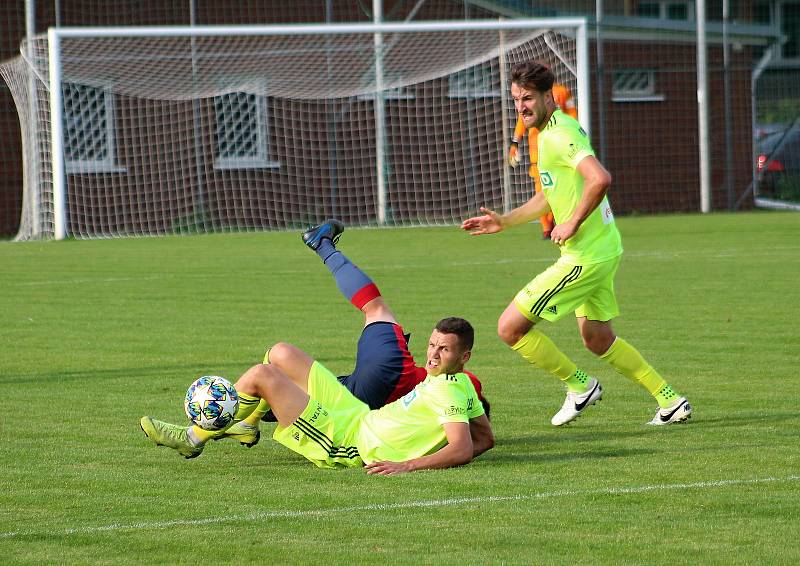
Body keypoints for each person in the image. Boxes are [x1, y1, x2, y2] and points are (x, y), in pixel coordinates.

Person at [140, 220, 494, 474]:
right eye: (433, 345)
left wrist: (409, 464)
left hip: (351, 442)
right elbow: (485, 440)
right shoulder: (459, 387)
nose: (432, 353)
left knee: (263, 375)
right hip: (358, 413)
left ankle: (192, 437)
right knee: (280, 352)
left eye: (442, 350)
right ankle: (245, 422)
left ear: (464, 357)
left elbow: (463, 445)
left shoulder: (455, 394)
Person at [461, 61, 692, 427]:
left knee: (509, 328)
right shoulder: (552, 130)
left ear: (547, 96)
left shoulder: (558, 135)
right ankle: (670, 400)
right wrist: (505, 221)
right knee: (598, 338)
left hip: (585, 256)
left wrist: (572, 221)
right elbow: (549, 194)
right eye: (516, 100)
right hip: (604, 248)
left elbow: (599, 178)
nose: (521, 107)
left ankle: (579, 386)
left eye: (528, 99)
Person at [508, 82, 578, 240]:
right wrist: (514, 143)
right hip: (538, 156)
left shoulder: (562, 92)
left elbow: (573, 114)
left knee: (556, 191)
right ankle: (547, 228)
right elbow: (521, 121)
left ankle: (555, 224)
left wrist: (569, 132)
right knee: (544, 192)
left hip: (558, 151)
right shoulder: (530, 103)